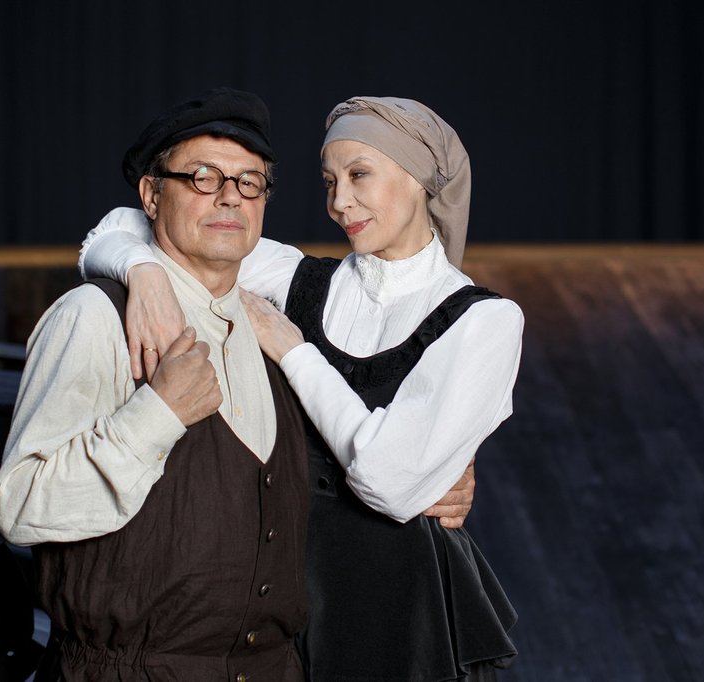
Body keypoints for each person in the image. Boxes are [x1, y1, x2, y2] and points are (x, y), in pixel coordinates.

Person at [78, 95, 523, 681]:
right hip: (276, 584)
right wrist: (145, 273)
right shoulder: (296, 277)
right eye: (329, 181)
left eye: (359, 175)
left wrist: (293, 350)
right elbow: (121, 226)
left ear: (419, 179)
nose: (339, 202)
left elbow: (388, 484)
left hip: (398, 603)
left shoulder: (486, 321)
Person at [0, 87, 314, 681]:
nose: (230, 196)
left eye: (249, 182)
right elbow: (21, 505)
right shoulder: (94, 315)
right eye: (203, 177)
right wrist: (158, 413)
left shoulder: (275, 325)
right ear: (151, 195)